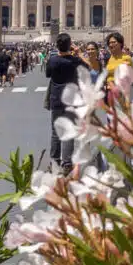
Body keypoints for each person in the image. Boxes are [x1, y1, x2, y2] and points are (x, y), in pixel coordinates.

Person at [45, 33, 87, 175]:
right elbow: (87, 68)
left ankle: (54, 161)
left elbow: (48, 74)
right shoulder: (74, 61)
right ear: (70, 45)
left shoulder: (52, 60)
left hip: (56, 98)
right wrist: (78, 53)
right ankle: (67, 163)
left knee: (55, 132)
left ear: (57, 45)